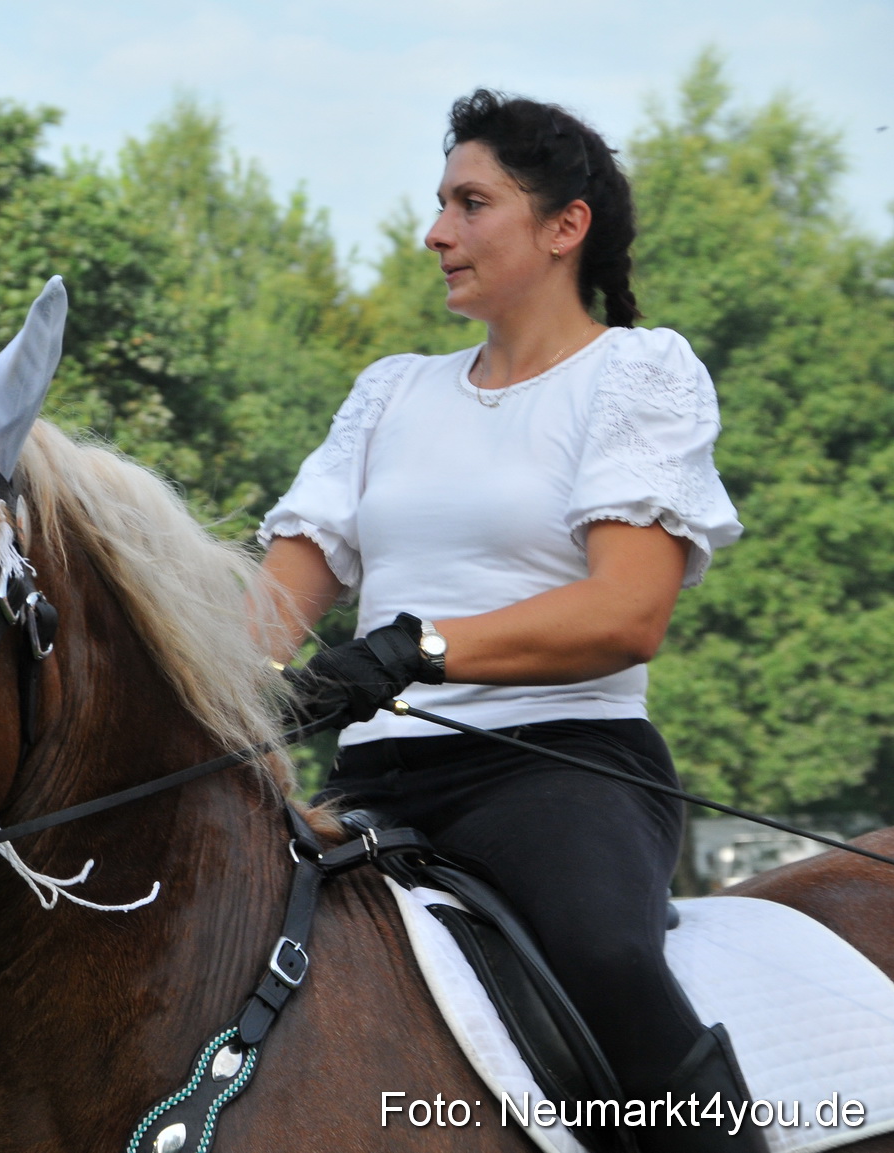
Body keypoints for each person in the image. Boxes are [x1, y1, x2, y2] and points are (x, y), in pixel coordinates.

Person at [259, 91, 753, 1152]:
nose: (435, 232)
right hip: (369, 786)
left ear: (564, 225)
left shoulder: (634, 374)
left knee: (606, 958)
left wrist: (413, 650)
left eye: (470, 204)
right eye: (440, 203)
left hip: (558, 770)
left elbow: (626, 611)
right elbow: (263, 617)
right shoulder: (389, 392)